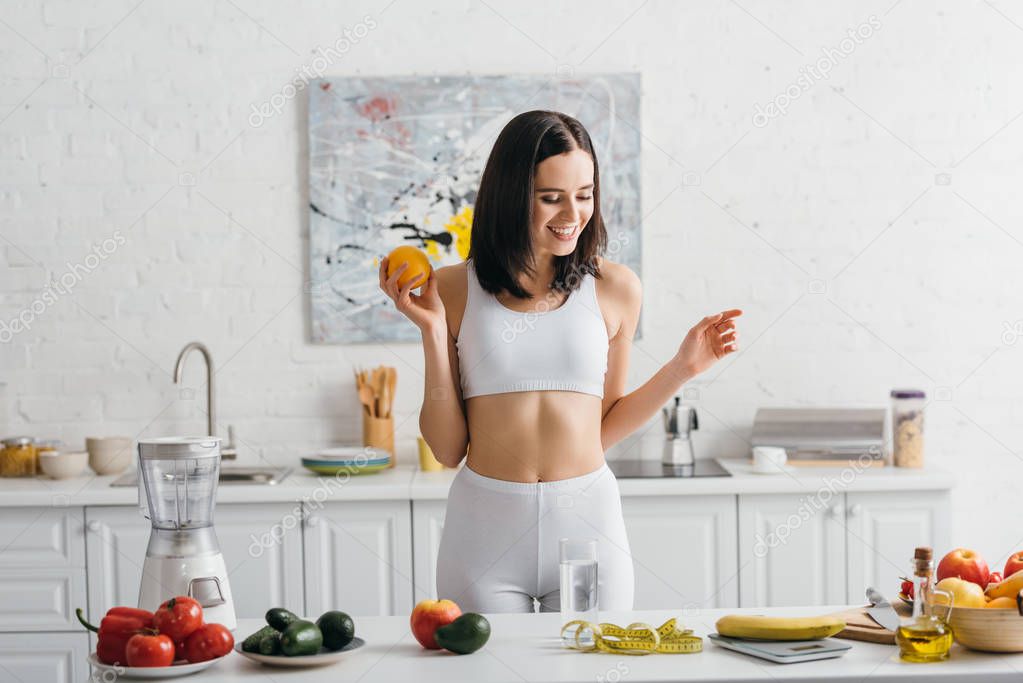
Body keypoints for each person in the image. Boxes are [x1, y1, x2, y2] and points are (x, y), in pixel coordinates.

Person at [379, 110, 742, 613]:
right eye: (551, 198)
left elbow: (605, 425)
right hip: (483, 529)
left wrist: (682, 367)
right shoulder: (453, 289)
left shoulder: (616, 288)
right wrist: (434, 331)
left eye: (584, 194)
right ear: (510, 195)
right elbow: (446, 448)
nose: (572, 213)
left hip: (587, 523)